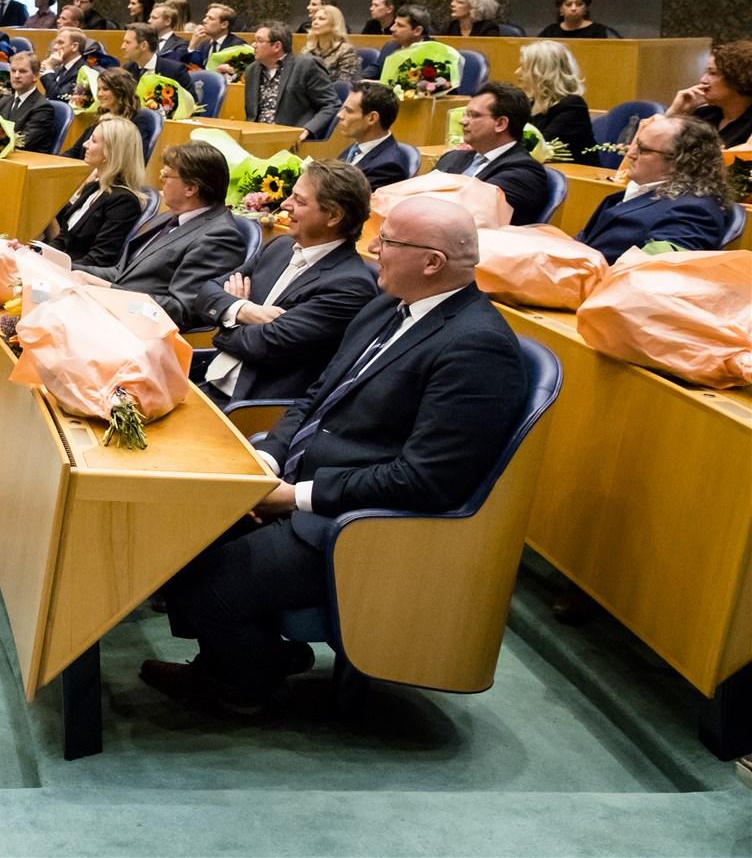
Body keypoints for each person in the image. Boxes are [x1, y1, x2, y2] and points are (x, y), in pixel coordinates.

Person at [145, 196, 526, 712]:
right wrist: (270, 458)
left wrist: (295, 497)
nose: (373, 250)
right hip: (306, 478)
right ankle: (254, 657)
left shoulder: (477, 347)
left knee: (206, 579)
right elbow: (316, 395)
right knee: (169, 530)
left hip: (362, 520)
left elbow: (428, 479)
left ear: (432, 262)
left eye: (388, 241)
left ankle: (243, 684)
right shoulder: (386, 306)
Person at [194, 161, 380, 404]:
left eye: (299, 201)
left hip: (250, 409)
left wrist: (226, 323)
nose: (284, 204)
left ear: (334, 216)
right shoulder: (281, 247)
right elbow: (207, 293)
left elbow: (263, 346)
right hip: (207, 380)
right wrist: (245, 310)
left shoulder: (350, 285)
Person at [79, 142, 245, 327]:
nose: (160, 181)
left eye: (166, 176)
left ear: (190, 188)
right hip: (111, 313)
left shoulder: (220, 238)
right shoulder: (169, 216)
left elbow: (181, 310)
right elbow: (122, 274)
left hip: (140, 330)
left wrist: (109, 291)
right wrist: (66, 267)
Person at [576, 114, 734, 260]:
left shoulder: (694, 211)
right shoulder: (638, 192)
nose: (630, 153)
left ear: (679, 160)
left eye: (642, 149)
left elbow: (656, 271)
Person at [435, 83, 553, 224]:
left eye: (474, 115)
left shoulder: (523, 172)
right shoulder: (452, 158)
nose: (462, 121)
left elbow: (470, 213)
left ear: (500, 124)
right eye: (465, 114)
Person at [45, 115, 149, 268]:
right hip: (59, 267)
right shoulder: (93, 187)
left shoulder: (124, 202)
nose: (85, 145)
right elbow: (63, 238)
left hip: (76, 277)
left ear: (111, 152)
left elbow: (98, 260)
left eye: (93, 141)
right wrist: (37, 256)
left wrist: (51, 267)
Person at [242, 22, 339, 134]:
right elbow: (252, 115)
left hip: (291, 136)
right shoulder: (252, 70)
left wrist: (307, 130)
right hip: (255, 135)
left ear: (277, 46)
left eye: (260, 41)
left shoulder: (306, 66)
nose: (254, 45)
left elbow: (330, 105)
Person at [515, 42, 594, 162]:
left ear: (542, 72)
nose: (517, 72)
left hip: (573, 177)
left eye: (524, 67)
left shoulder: (572, 106)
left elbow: (537, 149)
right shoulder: (529, 104)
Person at [667, 40, 752, 149]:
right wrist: (675, 113)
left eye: (712, 73)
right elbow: (657, 151)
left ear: (738, 79)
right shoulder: (703, 114)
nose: (702, 80)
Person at [332, 81, 411, 189]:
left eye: (348, 111)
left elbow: (345, 200)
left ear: (372, 118)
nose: (340, 115)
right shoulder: (356, 147)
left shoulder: (388, 167)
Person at [0, 52, 59, 154]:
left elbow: (23, 143)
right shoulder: (3, 102)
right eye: (13, 71)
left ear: (35, 76)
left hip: (28, 163)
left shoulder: (43, 108)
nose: (16, 75)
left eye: (22, 71)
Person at [120, 24, 195, 93]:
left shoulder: (174, 70)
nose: (122, 47)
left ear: (143, 45)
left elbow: (192, 103)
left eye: (127, 42)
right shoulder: (128, 69)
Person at [536, 0, 619, 39]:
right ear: (561, 9)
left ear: (586, 8)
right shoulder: (550, 32)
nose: (574, 8)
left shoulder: (599, 31)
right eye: (568, 4)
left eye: (579, 4)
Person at [303, 5, 362, 83]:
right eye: (314, 19)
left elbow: (344, 84)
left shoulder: (347, 51)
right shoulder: (308, 51)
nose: (315, 22)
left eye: (321, 19)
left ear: (334, 24)